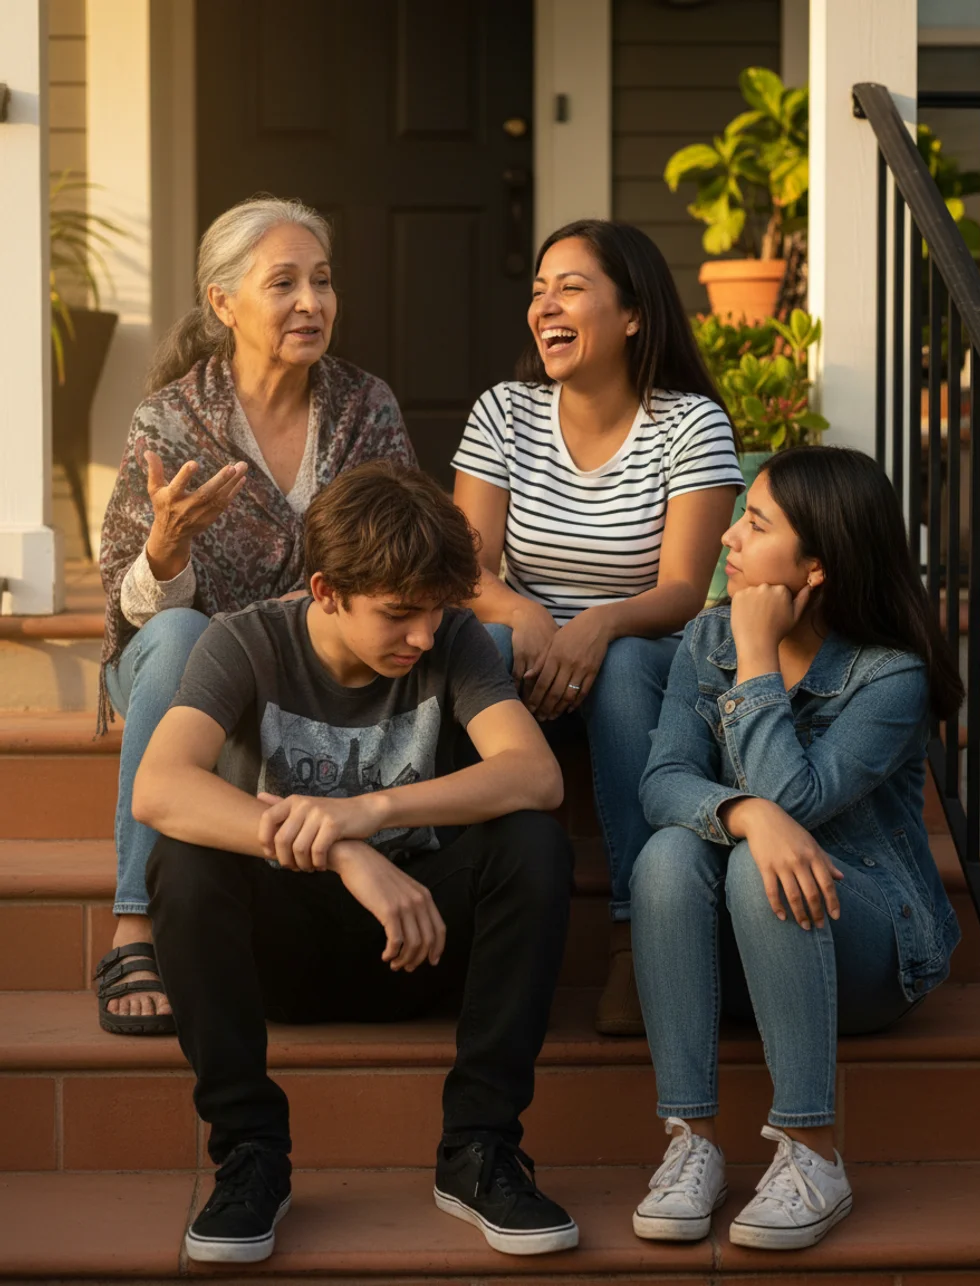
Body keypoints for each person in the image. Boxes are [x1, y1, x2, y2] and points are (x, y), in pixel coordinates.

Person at [132, 462, 578, 1264]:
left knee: (534, 841)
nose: (423, 637)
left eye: (438, 613)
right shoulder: (249, 640)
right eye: (400, 615)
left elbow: (535, 774)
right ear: (326, 589)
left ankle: (479, 1150)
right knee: (184, 861)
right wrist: (346, 854)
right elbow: (159, 788)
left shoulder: (454, 643)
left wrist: (371, 812)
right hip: (285, 954)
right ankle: (249, 1153)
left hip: (423, 942)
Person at [95, 196, 415, 1036]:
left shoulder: (363, 407)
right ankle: (135, 920)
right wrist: (166, 549)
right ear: (223, 302)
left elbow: (401, 556)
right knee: (176, 632)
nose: (312, 302)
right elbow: (123, 603)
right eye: (284, 283)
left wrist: (295, 618)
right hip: (188, 663)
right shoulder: (171, 417)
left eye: (322, 280)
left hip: (314, 655)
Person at [629, 446, 963, 1250]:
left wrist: (754, 661)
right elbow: (663, 781)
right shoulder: (704, 637)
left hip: (869, 954)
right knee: (669, 856)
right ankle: (693, 1143)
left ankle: (813, 1154)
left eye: (756, 522)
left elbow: (801, 802)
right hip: (746, 964)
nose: (727, 538)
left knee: (757, 865)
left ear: (816, 564)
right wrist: (747, 814)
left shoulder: (889, 676)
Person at [452, 219, 743, 1035]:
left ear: (634, 314)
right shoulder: (505, 412)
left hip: (642, 655)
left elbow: (685, 589)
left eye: (571, 287)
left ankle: (630, 939)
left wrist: (599, 626)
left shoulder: (690, 423)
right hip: (531, 648)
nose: (546, 304)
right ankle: (480, 920)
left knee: (619, 669)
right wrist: (527, 613)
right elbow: (466, 572)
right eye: (540, 289)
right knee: (480, 647)